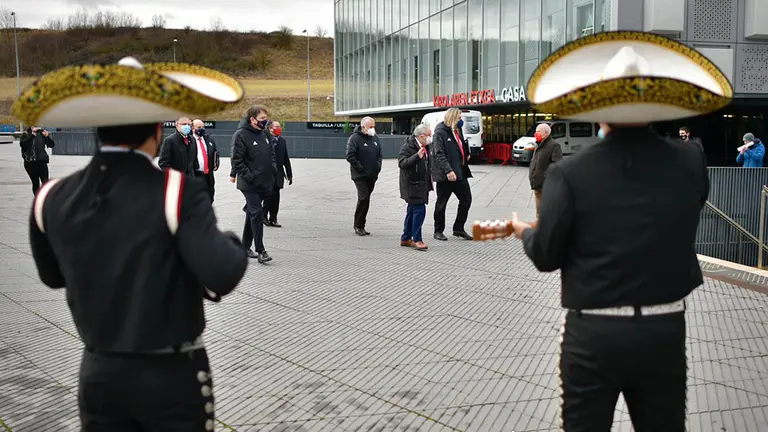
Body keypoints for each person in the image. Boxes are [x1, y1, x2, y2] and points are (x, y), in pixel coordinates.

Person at [14, 56, 249, 431]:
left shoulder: (51, 197)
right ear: (157, 128)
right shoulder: (177, 191)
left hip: (99, 374)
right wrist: (231, 240)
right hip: (170, 377)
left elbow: (53, 276)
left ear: (98, 128)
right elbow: (222, 272)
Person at [510, 32, 731, 430]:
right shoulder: (689, 162)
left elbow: (546, 256)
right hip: (665, 329)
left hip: (593, 331)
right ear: (656, 106)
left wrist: (523, 231)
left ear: (599, 111)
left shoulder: (569, 174)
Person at [231, 105, 276, 264]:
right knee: (257, 213)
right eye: (263, 119)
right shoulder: (241, 135)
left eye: (266, 118)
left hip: (264, 181)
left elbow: (271, 153)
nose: (266, 121)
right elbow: (237, 161)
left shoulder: (264, 133)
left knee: (252, 212)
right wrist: (251, 177)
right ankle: (261, 250)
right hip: (249, 184)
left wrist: (273, 170)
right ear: (252, 119)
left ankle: (244, 246)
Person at [431, 107, 473, 241]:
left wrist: (465, 154)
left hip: (460, 173)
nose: (461, 121)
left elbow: (459, 145)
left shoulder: (457, 130)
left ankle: (458, 228)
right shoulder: (440, 132)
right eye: (459, 118)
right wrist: (448, 170)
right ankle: (438, 230)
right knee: (442, 202)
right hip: (446, 175)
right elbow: (439, 154)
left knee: (466, 199)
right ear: (453, 117)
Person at [398, 124, 433, 251]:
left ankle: (406, 237)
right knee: (419, 210)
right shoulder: (408, 146)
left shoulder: (426, 146)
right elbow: (402, 163)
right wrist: (416, 157)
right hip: (412, 184)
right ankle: (417, 239)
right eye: (429, 135)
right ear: (421, 136)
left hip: (421, 183)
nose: (430, 138)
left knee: (412, 210)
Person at [346, 116, 382, 236]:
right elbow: (350, 156)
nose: (373, 129)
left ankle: (362, 225)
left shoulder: (374, 138)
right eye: (371, 127)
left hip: (372, 175)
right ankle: (358, 225)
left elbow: (379, 155)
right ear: (363, 127)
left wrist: (377, 168)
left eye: (374, 126)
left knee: (366, 199)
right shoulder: (354, 138)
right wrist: (361, 168)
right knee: (363, 197)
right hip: (360, 175)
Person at [528, 123, 563, 219]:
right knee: (539, 212)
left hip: (546, 186)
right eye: (535, 131)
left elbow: (557, 166)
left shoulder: (554, 145)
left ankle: (547, 230)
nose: (535, 134)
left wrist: (546, 178)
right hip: (537, 185)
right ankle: (540, 230)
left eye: (538, 132)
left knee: (546, 212)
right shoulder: (538, 144)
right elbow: (534, 161)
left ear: (546, 133)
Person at [263, 120, 293, 227]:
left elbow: (286, 158)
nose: (279, 128)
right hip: (268, 173)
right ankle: (264, 216)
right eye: (276, 127)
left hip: (279, 174)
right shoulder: (265, 140)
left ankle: (274, 219)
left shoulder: (282, 141)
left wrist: (289, 174)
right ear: (270, 129)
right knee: (269, 196)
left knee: (276, 198)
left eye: (279, 126)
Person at [20, 126, 55, 195]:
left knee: (45, 183)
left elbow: (51, 145)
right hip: (30, 163)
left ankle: (45, 200)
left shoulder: (42, 133)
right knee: (35, 183)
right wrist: (32, 136)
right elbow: (23, 145)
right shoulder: (26, 134)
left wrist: (47, 136)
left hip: (42, 162)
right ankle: (37, 199)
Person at [191, 119, 219, 200]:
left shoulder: (209, 140)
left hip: (208, 174)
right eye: (199, 127)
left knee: (210, 197)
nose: (202, 129)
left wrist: (216, 163)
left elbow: (215, 153)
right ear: (193, 129)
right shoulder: (189, 141)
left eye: (203, 127)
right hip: (195, 174)